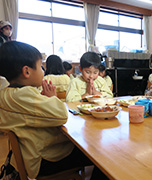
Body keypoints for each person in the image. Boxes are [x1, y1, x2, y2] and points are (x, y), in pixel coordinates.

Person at [0, 41, 108, 179]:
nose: (43, 71)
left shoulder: (6, 94)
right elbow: (61, 115)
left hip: (31, 155)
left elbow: (29, 114)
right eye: (40, 66)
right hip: (45, 159)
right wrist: (52, 98)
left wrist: (44, 99)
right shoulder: (24, 95)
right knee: (101, 153)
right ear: (27, 71)